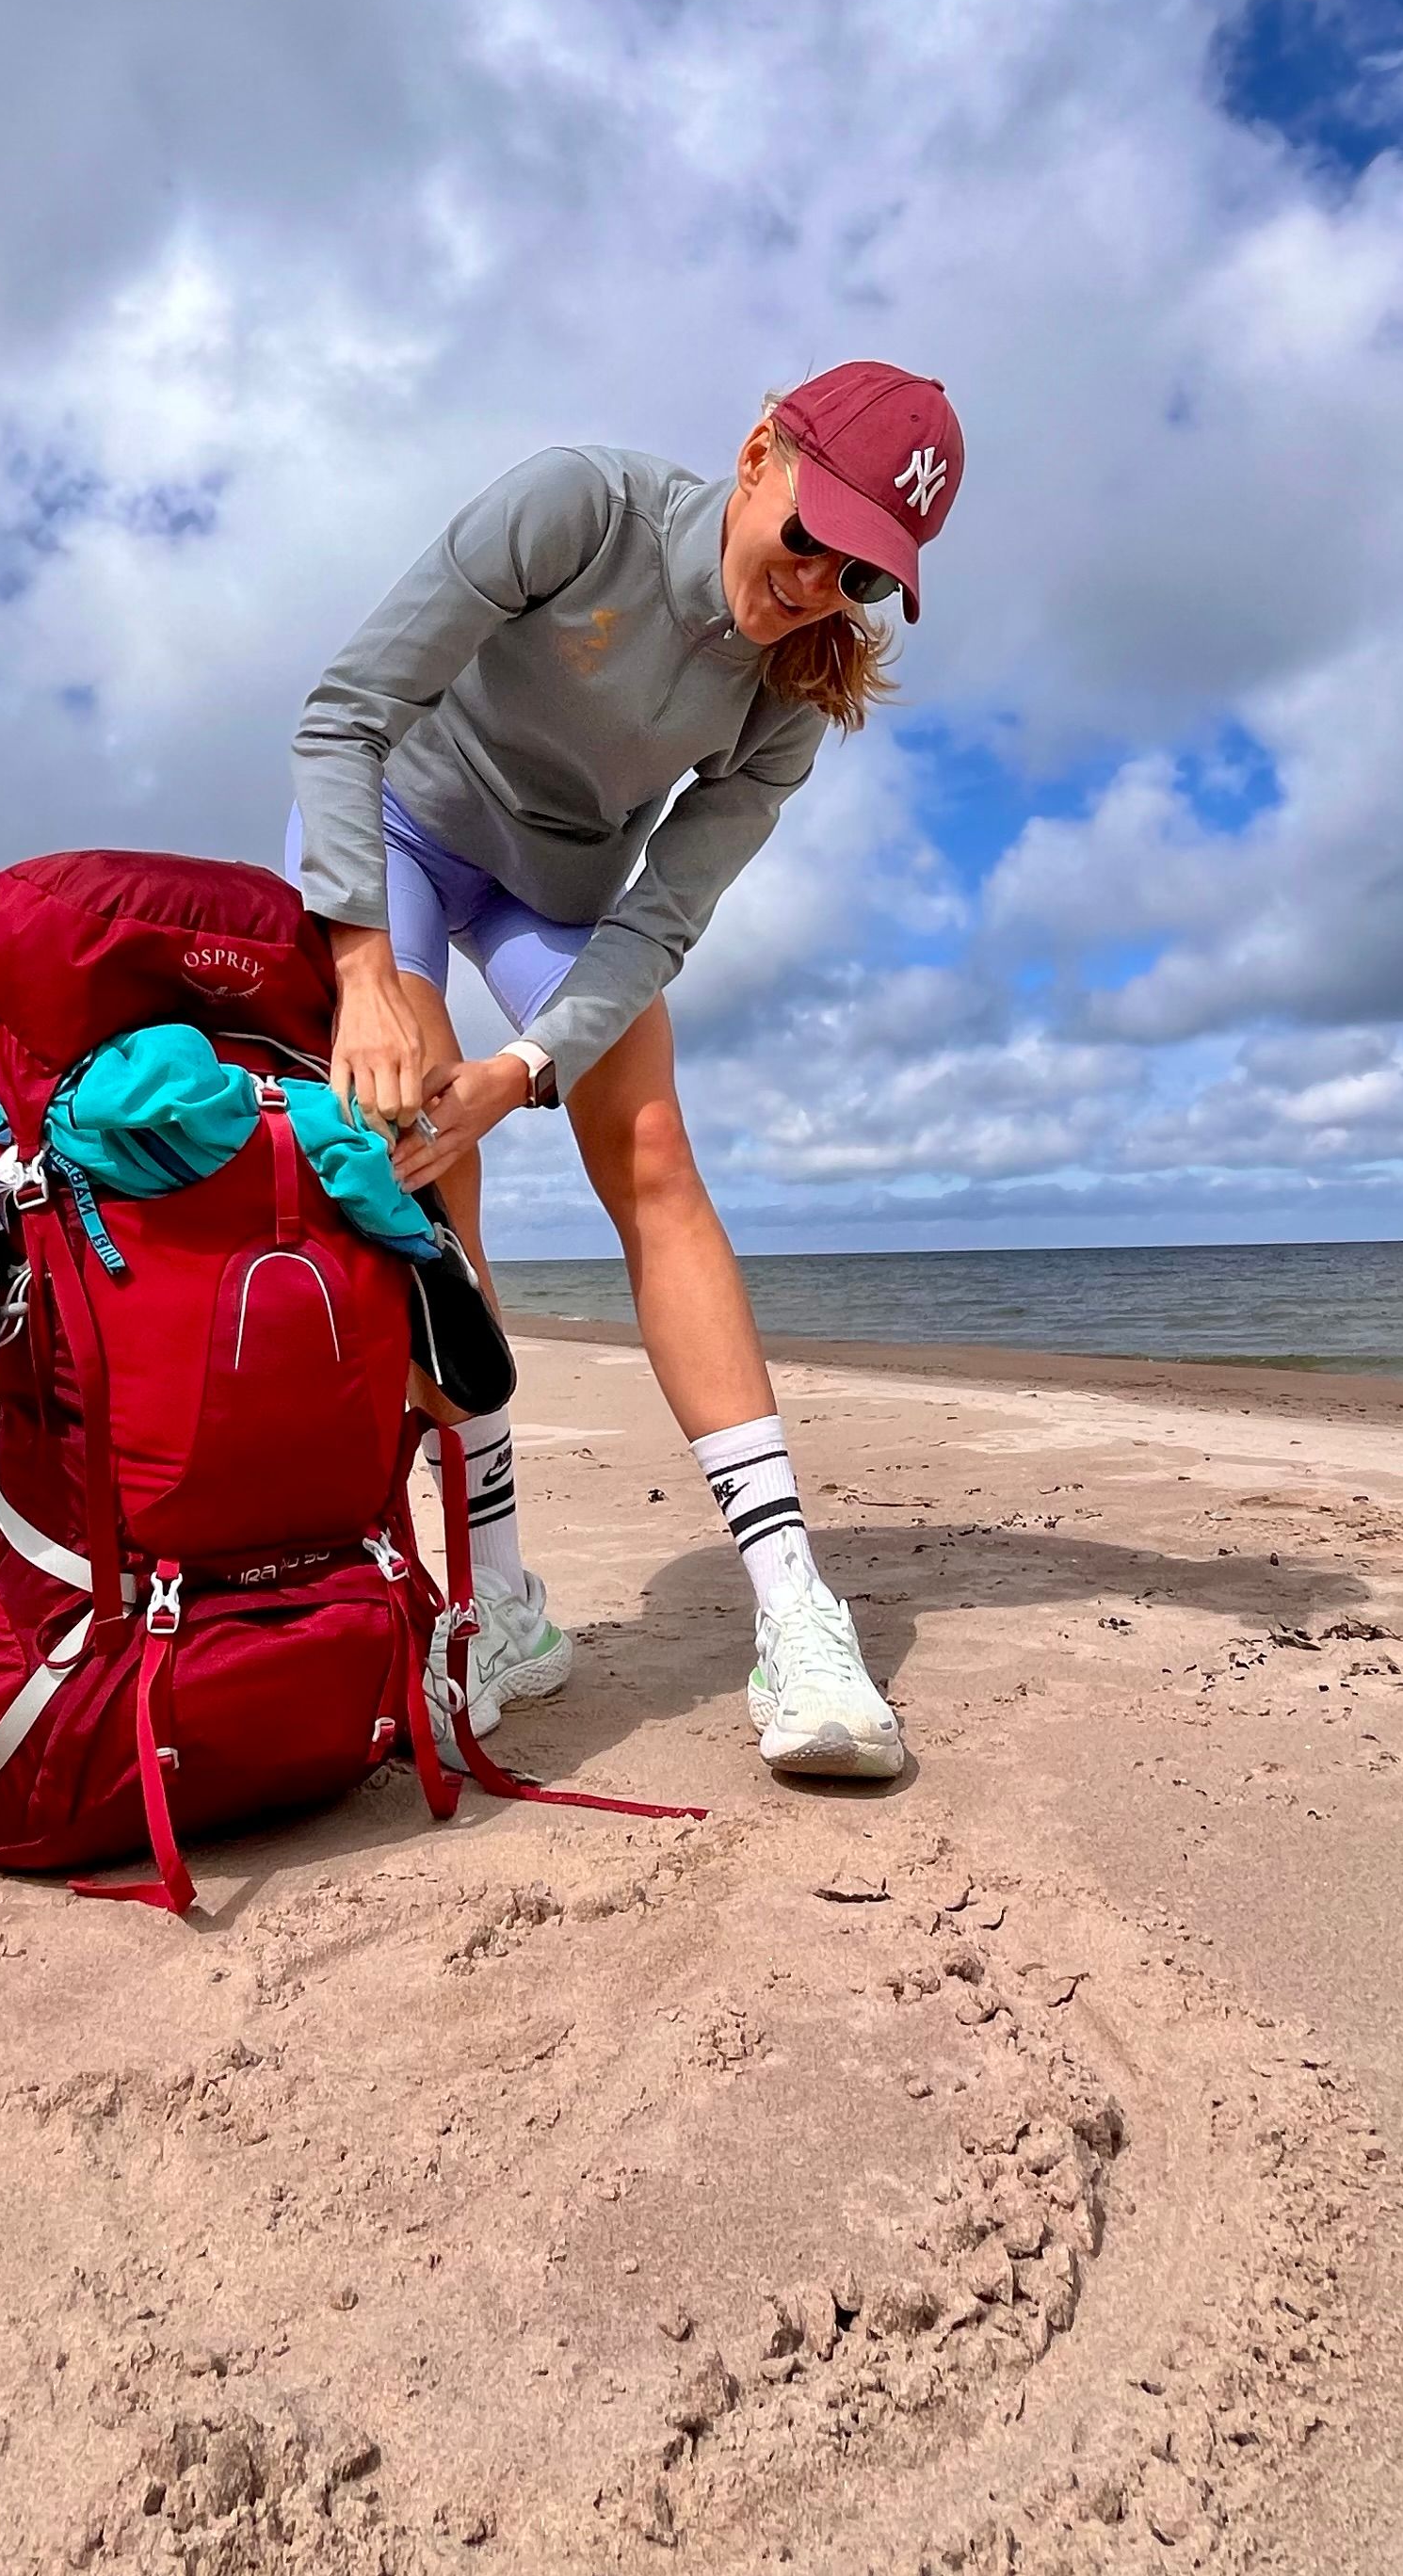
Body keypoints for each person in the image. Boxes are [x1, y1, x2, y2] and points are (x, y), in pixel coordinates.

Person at [285, 359, 963, 1780]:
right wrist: (359, 973)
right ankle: (504, 1602)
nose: (817, 582)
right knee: (412, 1140)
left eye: (860, 574)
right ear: (760, 447)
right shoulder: (577, 508)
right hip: (406, 833)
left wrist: (527, 1066)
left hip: (568, 899)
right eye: (810, 536)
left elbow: (660, 918)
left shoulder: (787, 700)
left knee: (654, 1155)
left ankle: (794, 1610)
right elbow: (344, 712)